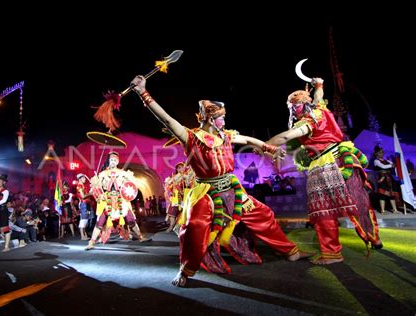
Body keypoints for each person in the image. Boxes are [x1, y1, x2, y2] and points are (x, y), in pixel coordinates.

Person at [130, 75, 312, 287]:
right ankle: (185, 270)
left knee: (263, 214)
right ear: (210, 119)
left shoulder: (226, 136)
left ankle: (291, 252)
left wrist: (269, 148)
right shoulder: (191, 137)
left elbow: (247, 139)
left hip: (232, 189)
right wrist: (143, 92)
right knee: (194, 227)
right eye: (221, 118)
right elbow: (167, 120)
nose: (225, 122)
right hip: (206, 193)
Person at [267, 77, 383, 265]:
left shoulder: (306, 123)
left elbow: (287, 136)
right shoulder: (320, 109)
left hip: (325, 165)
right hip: (344, 157)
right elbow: (319, 96)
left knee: (323, 211)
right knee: (359, 199)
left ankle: (332, 254)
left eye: (293, 107)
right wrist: (319, 85)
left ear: (303, 105)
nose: (292, 111)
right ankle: (372, 237)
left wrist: (265, 145)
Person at [86, 152, 150, 250]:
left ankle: (140, 236)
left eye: (115, 160)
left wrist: (129, 182)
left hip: (121, 199)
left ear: (118, 161)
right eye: (111, 160)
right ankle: (91, 242)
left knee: (130, 219)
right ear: (109, 161)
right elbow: (96, 187)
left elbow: (132, 183)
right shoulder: (103, 173)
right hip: (107, 199)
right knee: (100, 222)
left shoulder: (123, 173)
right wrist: (95, 188)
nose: (113, 161)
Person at [165, 162, 195, 234]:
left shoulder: (188, 175)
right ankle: (171, 226)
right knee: (172, 212)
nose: (179, 169)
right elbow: (169, 184)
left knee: (185, 212)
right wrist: (171, 189)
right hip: (176, 197)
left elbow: (190, 183)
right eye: (178, 168)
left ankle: (184, 227)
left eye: (181, 167)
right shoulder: (176, 176)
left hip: (186, 196)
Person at [373, 146, 401, 214]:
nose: (382, 154)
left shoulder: (386, 160)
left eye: (382, 152)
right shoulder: (376, 161)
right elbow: (383, 166)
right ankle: (382, 210)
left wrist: (395, 163)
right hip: (382, 178)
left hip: (389, 178)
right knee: (382, 195)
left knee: (392, 194)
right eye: (380, 152)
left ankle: (395, 210)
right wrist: (391, 166)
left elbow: (393, 164)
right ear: (376, 153)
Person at [76, 174, 91, 240]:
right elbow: (82, 196)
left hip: (86, 204)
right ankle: (82, 236)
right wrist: (90, 193)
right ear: (80, 179)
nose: (85, 179)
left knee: (86, 220)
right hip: (83, 204)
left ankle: (85, 235)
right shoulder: (79, 186)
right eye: (83, 178)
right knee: (83, 220)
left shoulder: (82, 185)